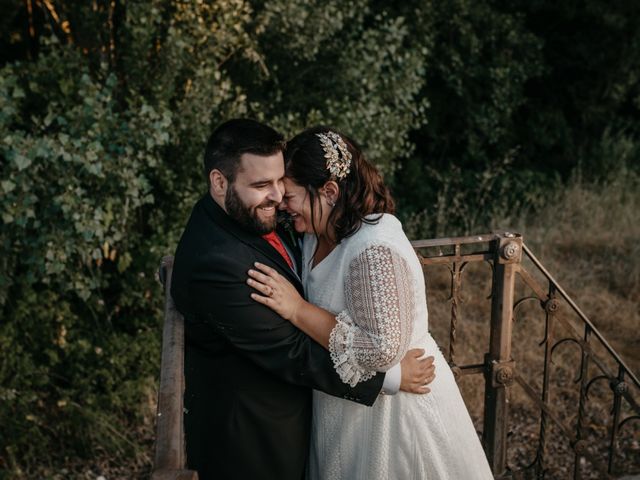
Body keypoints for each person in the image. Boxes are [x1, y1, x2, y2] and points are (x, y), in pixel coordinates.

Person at [170, 119, 436, 480]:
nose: (278, 197)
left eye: (280, 181)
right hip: (254, 438)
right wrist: (391, 375)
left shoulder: (254, 216)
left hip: (324, 419)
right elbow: (292, 349)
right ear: (219, 182)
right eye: (262, 185)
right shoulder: (216, 263)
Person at [247, 126, 495, 479]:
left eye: (290, 196)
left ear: (329, 191)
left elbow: (381, 349)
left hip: (392, 417)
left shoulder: (373, 248)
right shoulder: (316, 232)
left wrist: (297, 310)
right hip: (343, 407)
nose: (283, 206)